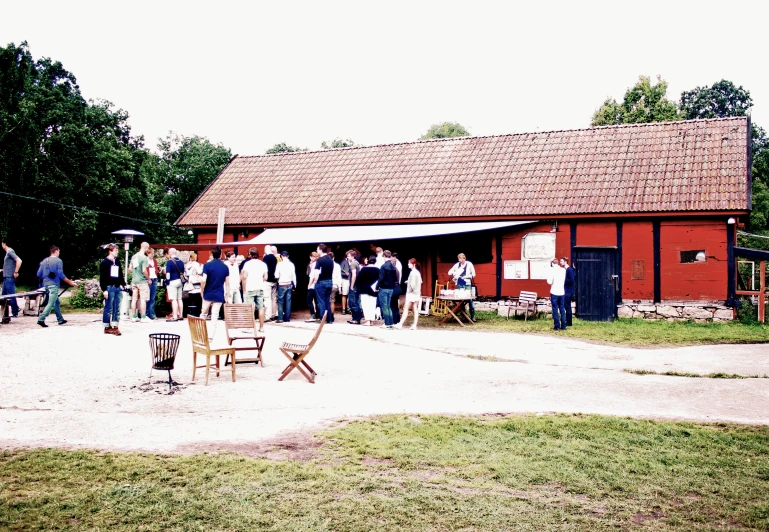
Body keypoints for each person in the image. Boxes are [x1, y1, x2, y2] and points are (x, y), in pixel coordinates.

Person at [36, 245, 77, 327]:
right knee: (51, 303)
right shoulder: (58, 261)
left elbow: (38, 274)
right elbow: (61, 274)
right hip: (54, 285)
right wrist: (70, 282)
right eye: (59, 251)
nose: (59, 253)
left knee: (56, 302)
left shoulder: (44, 261)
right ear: (56, 251)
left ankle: (60, 319)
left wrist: (46, 277)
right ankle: (41, 319)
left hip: (46, 285)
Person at [200, 246, 230, 339]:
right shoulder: (225, 267)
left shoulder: (207, 265)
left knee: (203, 313)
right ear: (221, 254)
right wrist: (227, 295)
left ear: (211, 254)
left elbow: (203, 280)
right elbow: (227, 283)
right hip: (219, 294)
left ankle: (201, 333)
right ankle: (211, 336)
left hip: (208, 293)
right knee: (215, 316)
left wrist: (202, 290)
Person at [99, 244, 125, 335]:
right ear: (110, 251)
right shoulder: (104, 263)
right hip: (109, 287)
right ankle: (107, 326)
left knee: (117, 307)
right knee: (108, 307)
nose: (117, 252)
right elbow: (102, 278)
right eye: (115, 250)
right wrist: (104, 289)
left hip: (118, 287)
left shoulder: (117, 261)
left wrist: (123, 284)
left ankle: (115, 325)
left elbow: (120, 273)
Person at [241, 247, 267, 332]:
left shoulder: (247, 264)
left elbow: (244, 277)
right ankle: (262, 327)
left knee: (250, 308)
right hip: (260, 288)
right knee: (260, 308)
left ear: (250, 254)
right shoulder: (263, 264)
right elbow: (266, 277)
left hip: (250, 288)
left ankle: (249, 327)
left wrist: (244, 288)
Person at [448, 253, 476, 322]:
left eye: (461, 259)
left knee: (469, 300)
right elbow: (449, 272)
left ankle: (472, 316)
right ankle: (464, 316)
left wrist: (467, 276)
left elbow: (474, 274)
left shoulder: (469, 264)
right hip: (459, 283)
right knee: (461, 300)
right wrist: (454, 273)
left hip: (467, 283)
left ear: (464, 258)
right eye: (459, 259)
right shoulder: (457, 265)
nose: (460, 261)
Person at [394, 259, 422, 330]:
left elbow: (412, 285)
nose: (408, 264)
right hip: (417, 293)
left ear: (414, 264)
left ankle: (400, 324)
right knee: (415, 308)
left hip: (411, 293)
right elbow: (420, 282)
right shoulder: (417, 272)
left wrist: (409, 291)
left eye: (409, 263)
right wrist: (408, 281)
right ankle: (414, 325)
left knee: (405, 308)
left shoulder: (412, 273)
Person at [312, 244, 335, 324]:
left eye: (317, 249)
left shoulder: (320, 260)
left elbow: (317, 272)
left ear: (321, 250)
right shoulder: (330, 260)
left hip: (321, 282)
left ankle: (322, 319)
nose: (317, 251)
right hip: (329, 281)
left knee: (321, 301)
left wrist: (315, 281)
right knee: (327, 300)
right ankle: (329, 319)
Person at [129, 242, 151, 323]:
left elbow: (130, 269)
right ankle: (143, 317)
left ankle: (134, 316)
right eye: (148, 248)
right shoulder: (144, 258)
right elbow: (144, 270)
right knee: (143, 299)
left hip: (134, 281)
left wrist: (135, 274)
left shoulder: (134, 256)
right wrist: (148, 279)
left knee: (134, 299)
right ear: (146, 247)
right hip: (142, 281)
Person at [356, 256, 380, 326]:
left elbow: (359, 279)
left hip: (364, 289)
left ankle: (368, 320)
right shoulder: (378, 270)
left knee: (366, 305)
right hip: (374, 290)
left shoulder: (364, 269)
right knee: (372, 305)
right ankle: (372, 320)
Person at [1, 238, 22, 320]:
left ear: (4, 244)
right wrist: (3, 269)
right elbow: (11, 264)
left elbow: (19, 261)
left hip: (9, 277)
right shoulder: (8, 253)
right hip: (6, 277)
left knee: (11, 295)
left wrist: (16, 272)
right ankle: (5, 313)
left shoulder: (10, 251)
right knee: (3, 297)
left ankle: (15, 311)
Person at [377, 250, 398, 329]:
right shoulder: (393, 266)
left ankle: (386, 323)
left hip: (384, 288)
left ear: (384, 256)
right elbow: (395, 278)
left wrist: (376, 287)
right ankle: (390, 323)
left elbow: (381, 278)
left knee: (384, 306)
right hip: (391, 288)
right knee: (389, 306)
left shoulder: (383, 266)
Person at [274, 250, 296, 322]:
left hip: (281, 284)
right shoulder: (291, 264)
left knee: (280, 301)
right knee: (288, 301)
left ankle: (280, 318)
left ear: (281, 256)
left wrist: (278, 279)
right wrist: (295, 284)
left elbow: (276, 275)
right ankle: (287, 318)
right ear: (288, 256)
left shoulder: (279, 264)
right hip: (289, 284)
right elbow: (293, 275)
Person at [165, 248, 185, 321]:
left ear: (170, 253)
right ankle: (181, 315)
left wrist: (167, 282)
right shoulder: (181, 262)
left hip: (172, 281)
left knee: (174, 300)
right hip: (180, 281)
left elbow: (168, 274)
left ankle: (175, 316)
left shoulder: (169, 262)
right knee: (179, 299)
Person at [547, 258, 567, 331]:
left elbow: (549, 282)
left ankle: (557, 326)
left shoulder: (551, 270)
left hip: (554, 292)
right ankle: (564, 326)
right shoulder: (563, 270)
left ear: (552, 263)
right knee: (562, 308)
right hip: (562, 291)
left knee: (555, 309)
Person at [345, 250, 362, 325]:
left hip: (354, 285)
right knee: (356, 301)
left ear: (352, 256)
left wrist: (351, 285)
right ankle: (356, 318)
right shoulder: (357, 263)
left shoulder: (353, 264)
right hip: (358, 285)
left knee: (353, 302)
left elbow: (354, 275)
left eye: (348, 256)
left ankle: (356, 319)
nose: (347, 257)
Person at [184, 252, 203, 317]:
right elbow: (200, 271)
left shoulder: (187, 265)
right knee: (197, 300)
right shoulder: (196, 264)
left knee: (191, 299)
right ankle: (196, 313)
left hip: (189, 284)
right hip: (196, 283)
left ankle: (191, 312)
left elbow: (186, 274)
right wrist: (202, 267)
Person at [262, 244, 278, 322]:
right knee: (274, 298)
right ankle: (274, 314)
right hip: (274, 280)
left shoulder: (266, 258)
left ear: (266, 250)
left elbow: (264, 270)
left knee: (267, 298)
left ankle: (268, 316)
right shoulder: (275, 258)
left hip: (267, 280)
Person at [145, 247, 159, 320]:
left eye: (153, 253)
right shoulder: (145, 260)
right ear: (148, 253)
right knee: (147, 298)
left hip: (154, 278)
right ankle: (146, 314)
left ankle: (152, 314)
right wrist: (148, 278)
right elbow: (144, 270)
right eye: (151, 254)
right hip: (148, 279)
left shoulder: (154, 260)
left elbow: (156, 268)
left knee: (152, 298)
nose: (152, 255)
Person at [305, 251, 319, 321]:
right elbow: (307, 273)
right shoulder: (310, 264)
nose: (312, 258)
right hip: (315, 285)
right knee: (315, 300)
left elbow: (312, 276)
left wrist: (309, 285)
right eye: (311, 257)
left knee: (310, 300)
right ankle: (317, 315)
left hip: (313, 285)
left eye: (314, 257)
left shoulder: (315, 265)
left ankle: (313, 315)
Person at [390, 252, 403, 325]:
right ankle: (396, 318)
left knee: (393, 304)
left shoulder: (397, 266)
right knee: (394, 303)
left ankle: (395, 319)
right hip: (397, 285)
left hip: (395, 285)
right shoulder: (397, 265)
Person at [561, 257, 575, 327]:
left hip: (568, 291)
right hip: (566, 291)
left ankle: (569, 322)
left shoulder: (569, 270)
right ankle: (567, 321)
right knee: (566, 306)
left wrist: (563, 280)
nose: (561, 263)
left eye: (562, 261)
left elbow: (572, 280)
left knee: (568, 307)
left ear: (565, 262)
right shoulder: (565, 270)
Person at [330, 251, 342, 316]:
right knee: (332, 301)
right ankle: (332, 315)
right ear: (333, 258)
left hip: (327, 284)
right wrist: (340, 288)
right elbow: (339, 276)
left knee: (326, 301)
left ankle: (327, 316)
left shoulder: (325, 265)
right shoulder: (337, 266)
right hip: (335, 285)